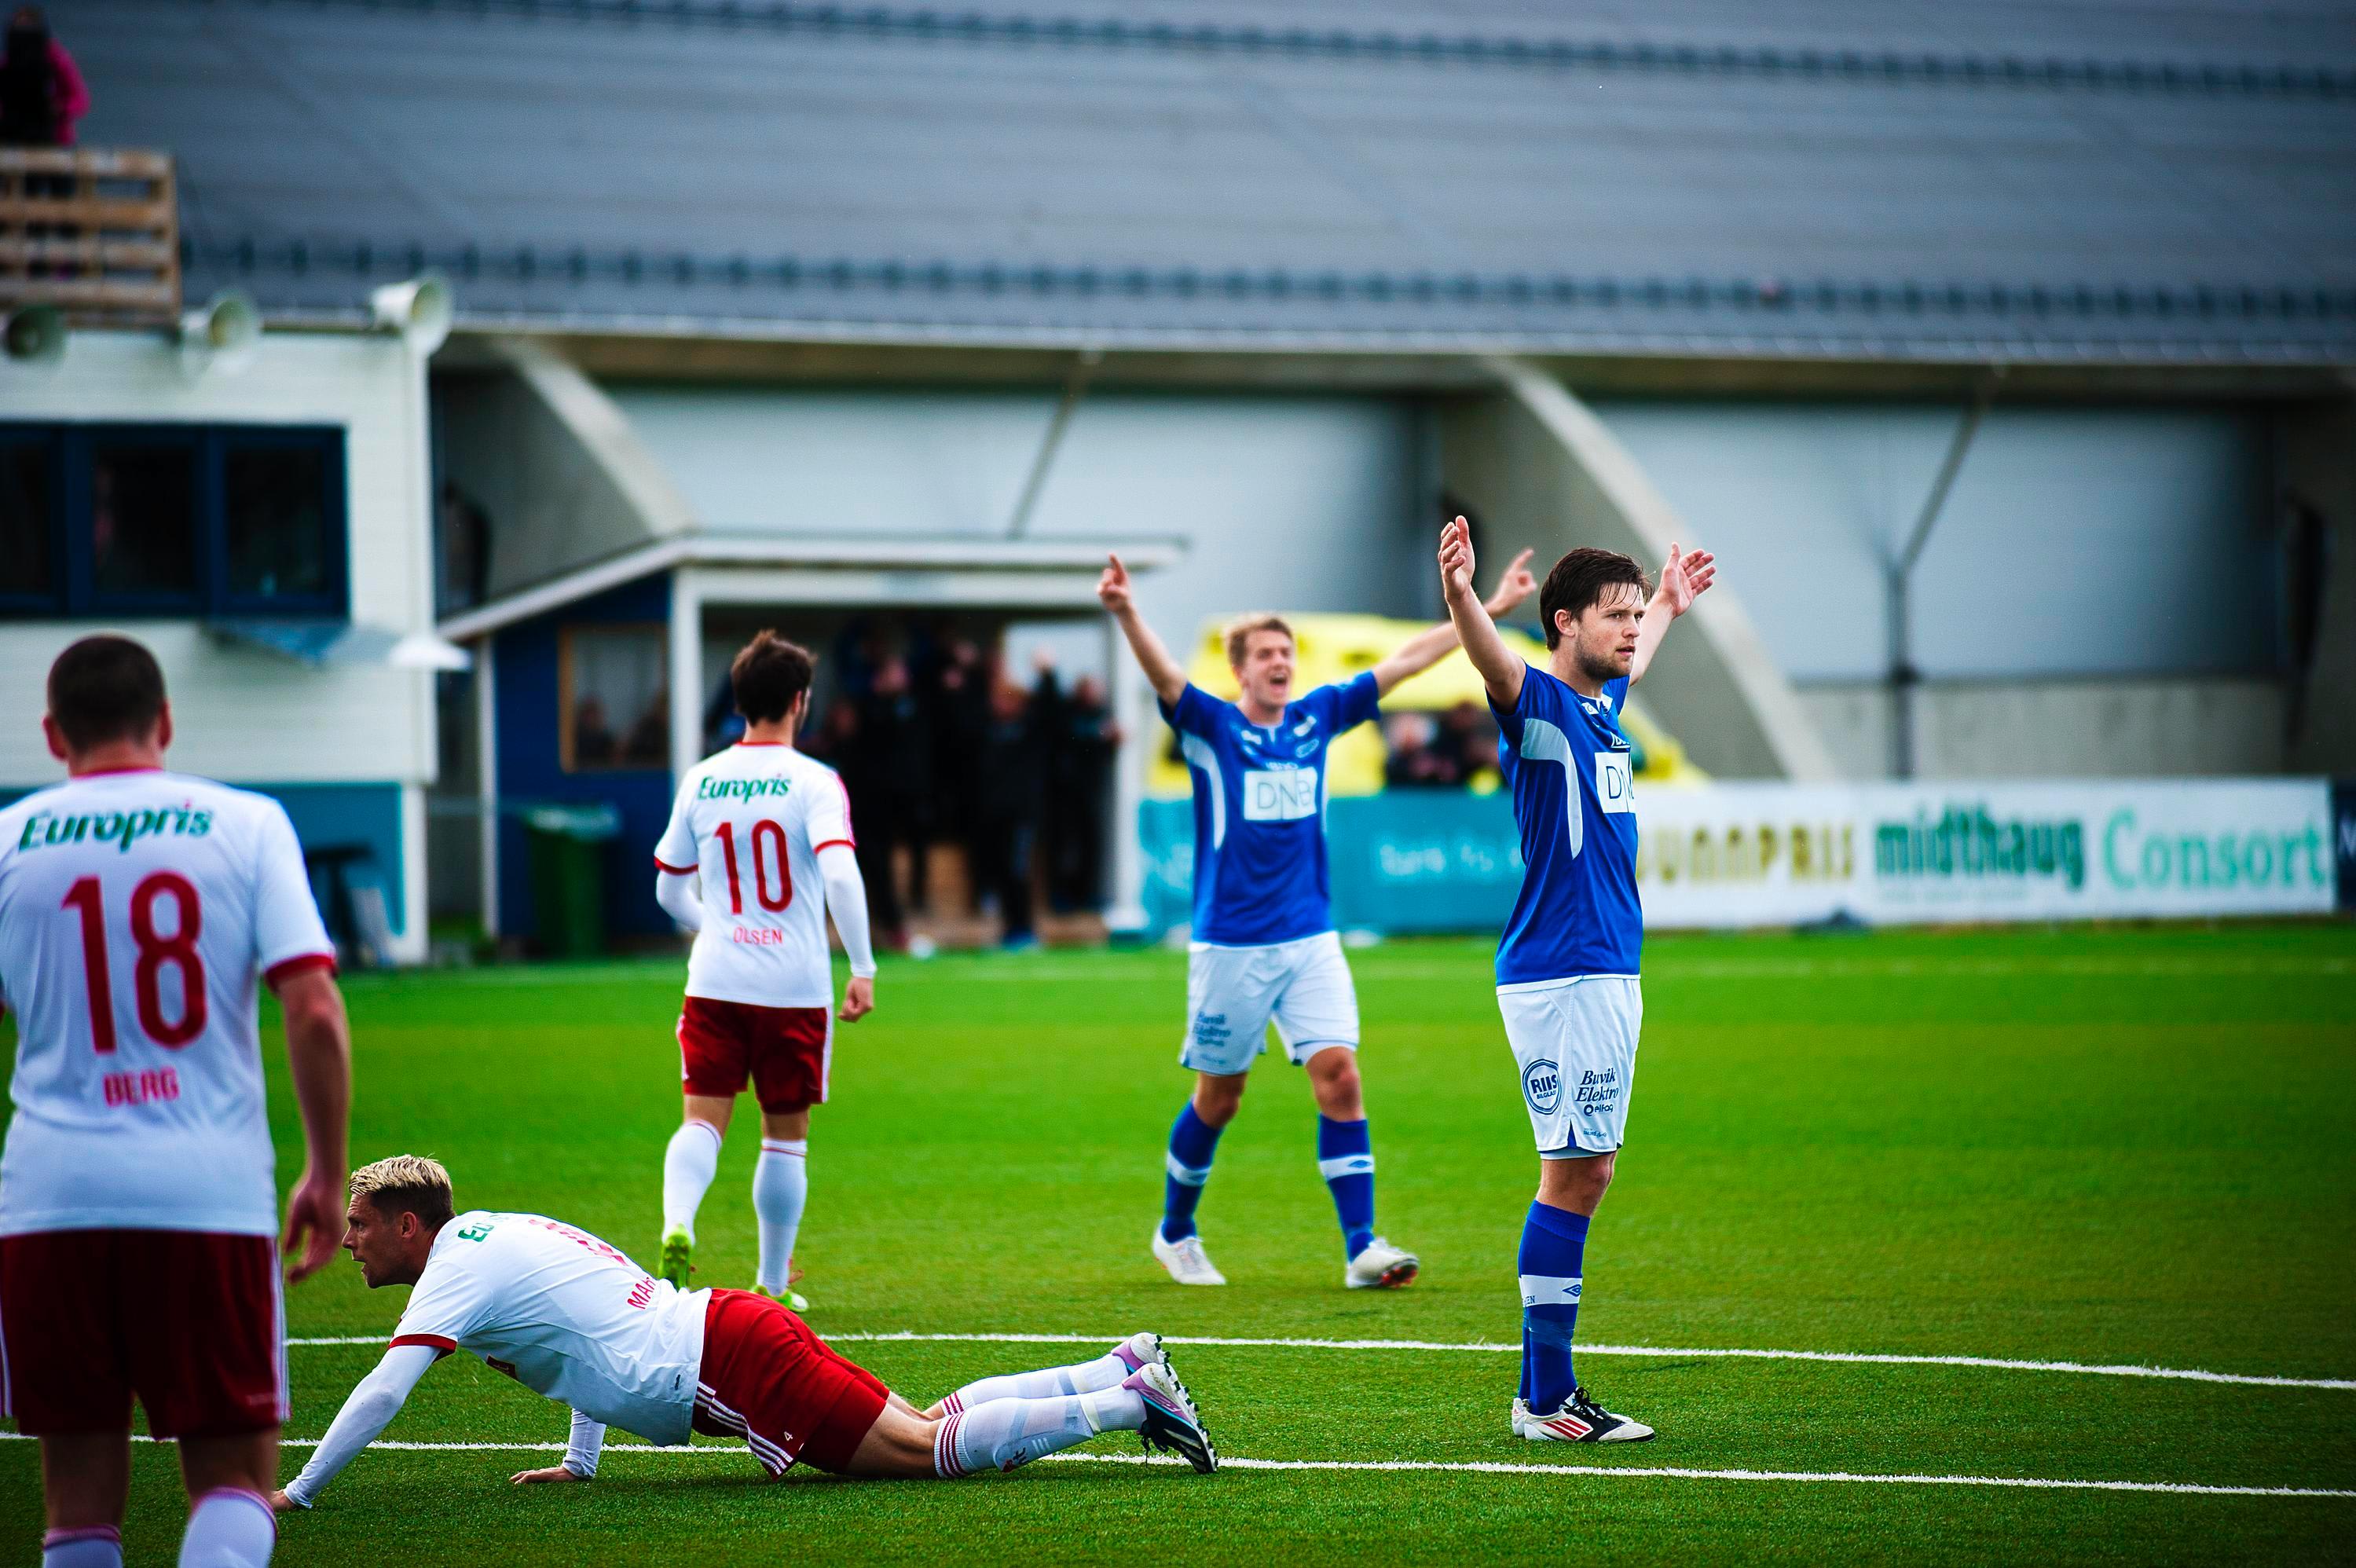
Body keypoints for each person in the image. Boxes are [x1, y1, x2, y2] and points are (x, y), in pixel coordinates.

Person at [271, 1156, 1214, 1516]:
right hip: (728, 1327)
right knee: (926, 1423)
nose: (347, 1240)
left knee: (924, 1454)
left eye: (358, 1224)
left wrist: (300, 1490)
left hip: (723, 1358)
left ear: (408, 1225)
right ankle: (1117, 1364)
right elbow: (581, 1335)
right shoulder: (488, 1234)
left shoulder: (455, 1271)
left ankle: (1128, 1401)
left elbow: (386, 1389)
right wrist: (581, 1461)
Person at [0, 634, 353, 1568]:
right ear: (164, 720)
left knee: (76, 1505)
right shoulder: (246, 824)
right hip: (205, 1195)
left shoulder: (9, 839)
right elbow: (313, 1007)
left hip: (48, 1202)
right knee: (233, 1482)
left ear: (52, 734)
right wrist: (326, 1171)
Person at [1097, 546, 1537, 1289]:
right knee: (1220, 1098)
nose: (1280, 662)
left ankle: (1361, 1247)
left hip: (1310, 939)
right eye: (1265, 654)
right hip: (1231, 946)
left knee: (1340, 1077)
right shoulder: (1212, 727)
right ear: (1239, 670)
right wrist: (1126, 611)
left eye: (1286, 652)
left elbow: (1403, 663)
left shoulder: (1315, 717)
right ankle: (1175, 1231)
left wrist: (1486, 609)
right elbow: (1166, 677)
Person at [1435, 518, 1715, 1443]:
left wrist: (1666, 602)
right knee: (1575, 1173)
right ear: (1563, 622)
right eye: (1614, 616)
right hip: (1564, 968)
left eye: (1634, 616)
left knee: (1582, 1169)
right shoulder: (1541, 706)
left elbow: (1637, 656)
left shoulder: (1599, 708)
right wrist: (1461, 596)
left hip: (1602, 967)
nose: (1629, 630)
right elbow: (1491, 662)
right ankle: (1547, 1401)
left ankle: (1540, 1397)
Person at [650, 632, 876, 1313]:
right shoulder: (814, 781)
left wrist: (715, 927)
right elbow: (840, 873)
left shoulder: (702, 778)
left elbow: (667, 889)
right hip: (792, 986)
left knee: (701, 1123)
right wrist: (862, 964)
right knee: (784, 1138)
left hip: (715, 979)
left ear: (739, 701)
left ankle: (677, 1225)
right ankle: (772, 1283)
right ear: (800, 701)